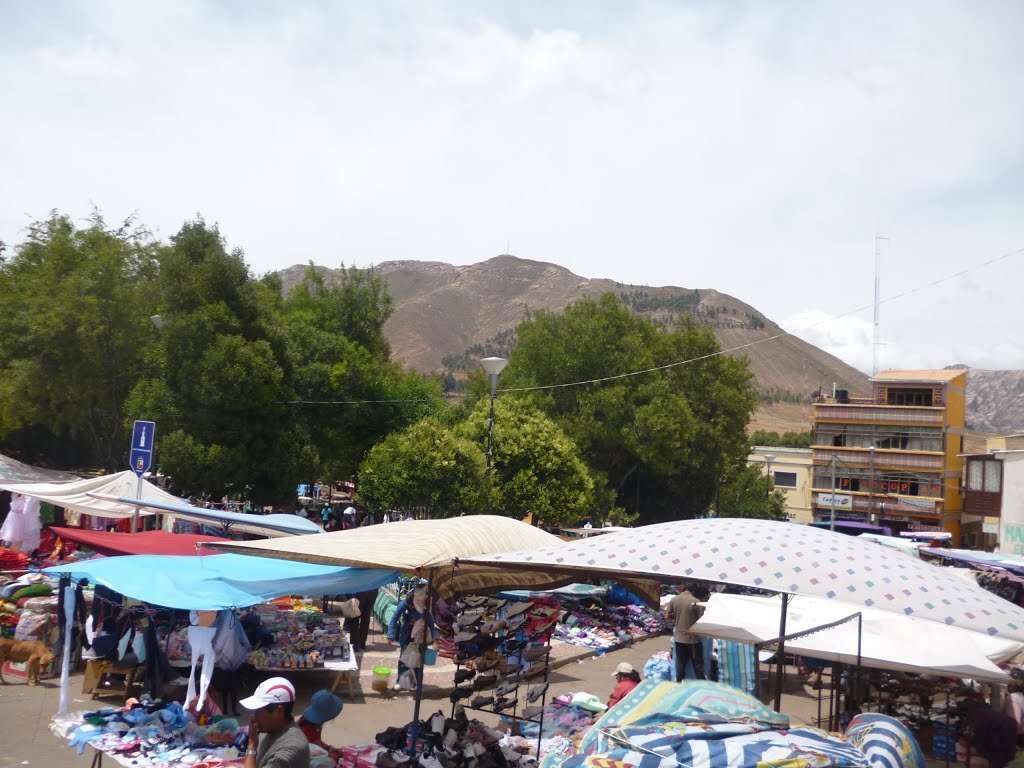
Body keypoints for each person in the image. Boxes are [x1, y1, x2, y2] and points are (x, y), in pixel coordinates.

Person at [240, 676, 310, 768]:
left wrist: (252, 746)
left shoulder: (289, 749)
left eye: (257, 711)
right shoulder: (271, 730)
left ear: (279, 712)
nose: (254, 717)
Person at [387, 579, 435, 691]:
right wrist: (391, 634)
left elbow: (431, 622)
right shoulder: (404, 604)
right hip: (407, 635)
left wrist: (432, 638)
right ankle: (401, 681)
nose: (411, 608)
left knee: (418, 661)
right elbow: (394, 618)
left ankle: (417, 683)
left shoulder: (423, 606)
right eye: (409, 606)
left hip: (421, 636)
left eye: (412, 606)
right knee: (404, 659)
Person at [665, 586, 704, 682]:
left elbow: (666, 616)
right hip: (692, 639)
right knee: (698, 665)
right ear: (693, 590)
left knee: (680, 663)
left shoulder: (674, 599)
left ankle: (678, 683)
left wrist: (678, 619)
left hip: (678, 638)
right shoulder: (696, 601)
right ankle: (702, 684)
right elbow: (702, 619)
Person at [296, 690, 343, 761]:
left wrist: (330, 748)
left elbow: (318, 744)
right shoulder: (306, 730)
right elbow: (317, 760)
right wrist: (336, 754)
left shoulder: (313, 723)